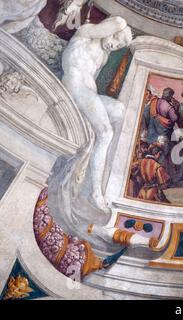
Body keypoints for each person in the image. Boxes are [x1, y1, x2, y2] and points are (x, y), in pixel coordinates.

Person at [61, 16, 132, 212]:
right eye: (116, 40)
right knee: (106, 133)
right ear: (108, 30)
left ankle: (93, 155)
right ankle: (95, 193)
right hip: (74, 85)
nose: (114, 45)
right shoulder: (85, 32)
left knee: (119, 110)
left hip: (87, 94)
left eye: (119, 46)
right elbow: (119, 21)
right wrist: (121, 27)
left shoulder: (104, 56)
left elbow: (93, 83)